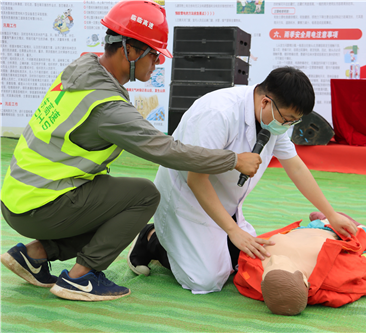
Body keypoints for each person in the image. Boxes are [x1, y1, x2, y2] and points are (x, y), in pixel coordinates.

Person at [0, 0, 260, 302]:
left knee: (110, 198)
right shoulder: (107, 106)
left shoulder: (81, 68)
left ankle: (33, 255)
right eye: (155, 55)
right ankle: (80, 278)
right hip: (41, 205)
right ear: (131, 50)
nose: (158, 64)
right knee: (142, 196)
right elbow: (166, 150)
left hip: (20, 196)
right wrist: (232, 159)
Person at [128, 67, 359, 294]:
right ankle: (153, 238)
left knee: (248, 258)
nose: (287, 125)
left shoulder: (273, 118)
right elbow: (196, 180)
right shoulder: (217, 113)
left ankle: (219, 239)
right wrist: (233, 231)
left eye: (293, 121)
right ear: (266, 102)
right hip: (186, 200)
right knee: (205, 279)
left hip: (223, 200)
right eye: (287, 119)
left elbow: (296, 167)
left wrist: (331, 215)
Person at [234, 213, 366, 315]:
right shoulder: (326, 280)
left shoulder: (253, 272)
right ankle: (356, 225)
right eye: (282, 263)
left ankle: (325, 218)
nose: (275, 259)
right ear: (305, 282)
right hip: (333, 232)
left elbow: (242, 279)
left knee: (318, 223)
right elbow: (362, 276)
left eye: (270, 266)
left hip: (301, 229)